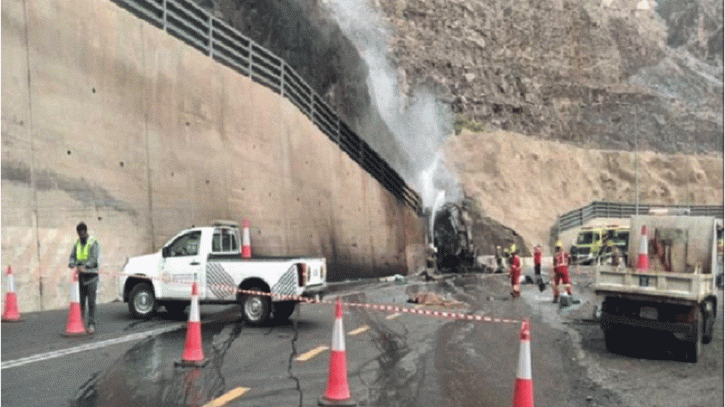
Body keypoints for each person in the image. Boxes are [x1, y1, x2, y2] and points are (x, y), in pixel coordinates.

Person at [68, 222, 101, 333]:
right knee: (81, 302)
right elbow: (72, 256)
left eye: (82, 234)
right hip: (81, 278)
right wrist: (72, 263)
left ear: (85, 232)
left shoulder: (93, 242)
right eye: (79, 234)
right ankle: (80, 323)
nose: (81, 236)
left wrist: (84, 266)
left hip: (91, 277)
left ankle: (91, 324)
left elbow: (94, 259)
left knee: (91, 302)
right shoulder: (77, 243)